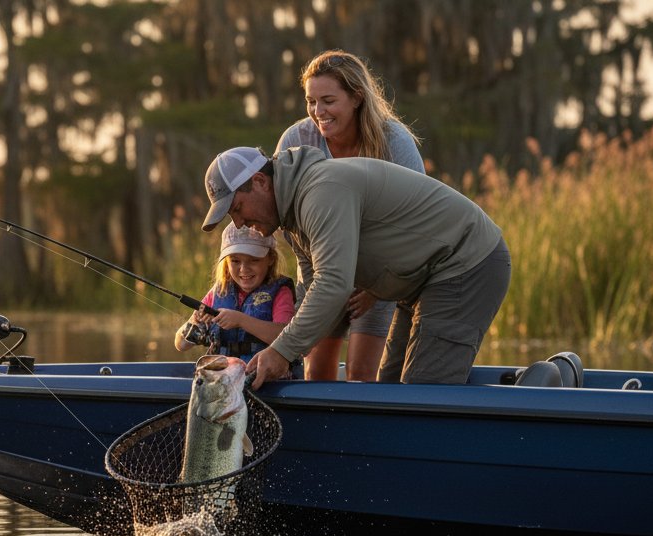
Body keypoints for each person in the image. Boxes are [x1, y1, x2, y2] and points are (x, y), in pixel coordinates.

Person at [199, 145, 510, 389]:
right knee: (389, 391)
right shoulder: (291, 220)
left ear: (260, 181)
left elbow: (334, 282)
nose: (238, 223)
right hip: (420, 282)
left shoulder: (321, 192)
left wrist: (282, 351)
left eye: (237, 208)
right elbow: (315, 293)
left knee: (421, 394)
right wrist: (289, 352)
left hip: (466, 262)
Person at [274, 49, 425, 382]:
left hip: (379, 274)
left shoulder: (394, 142)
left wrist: (376, 289)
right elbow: (290, 223)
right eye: (311, 102)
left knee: (361, 373)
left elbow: (414, 225)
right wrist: (322, 285)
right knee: (316, 373)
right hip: (319, 270)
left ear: (357, 98)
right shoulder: (297, 141)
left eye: (328, 101)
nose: (318, 112)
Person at [174, 222, 297, 364]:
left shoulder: (281, 292)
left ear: (271, 259)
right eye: (235, 261)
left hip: (263, 376)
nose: (244, 269)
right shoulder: (219, 291)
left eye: (254, 260)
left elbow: (286, 336)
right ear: (226, 262)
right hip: (222, 377)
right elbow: (181, 345)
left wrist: (240, 320)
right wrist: (195, 327)